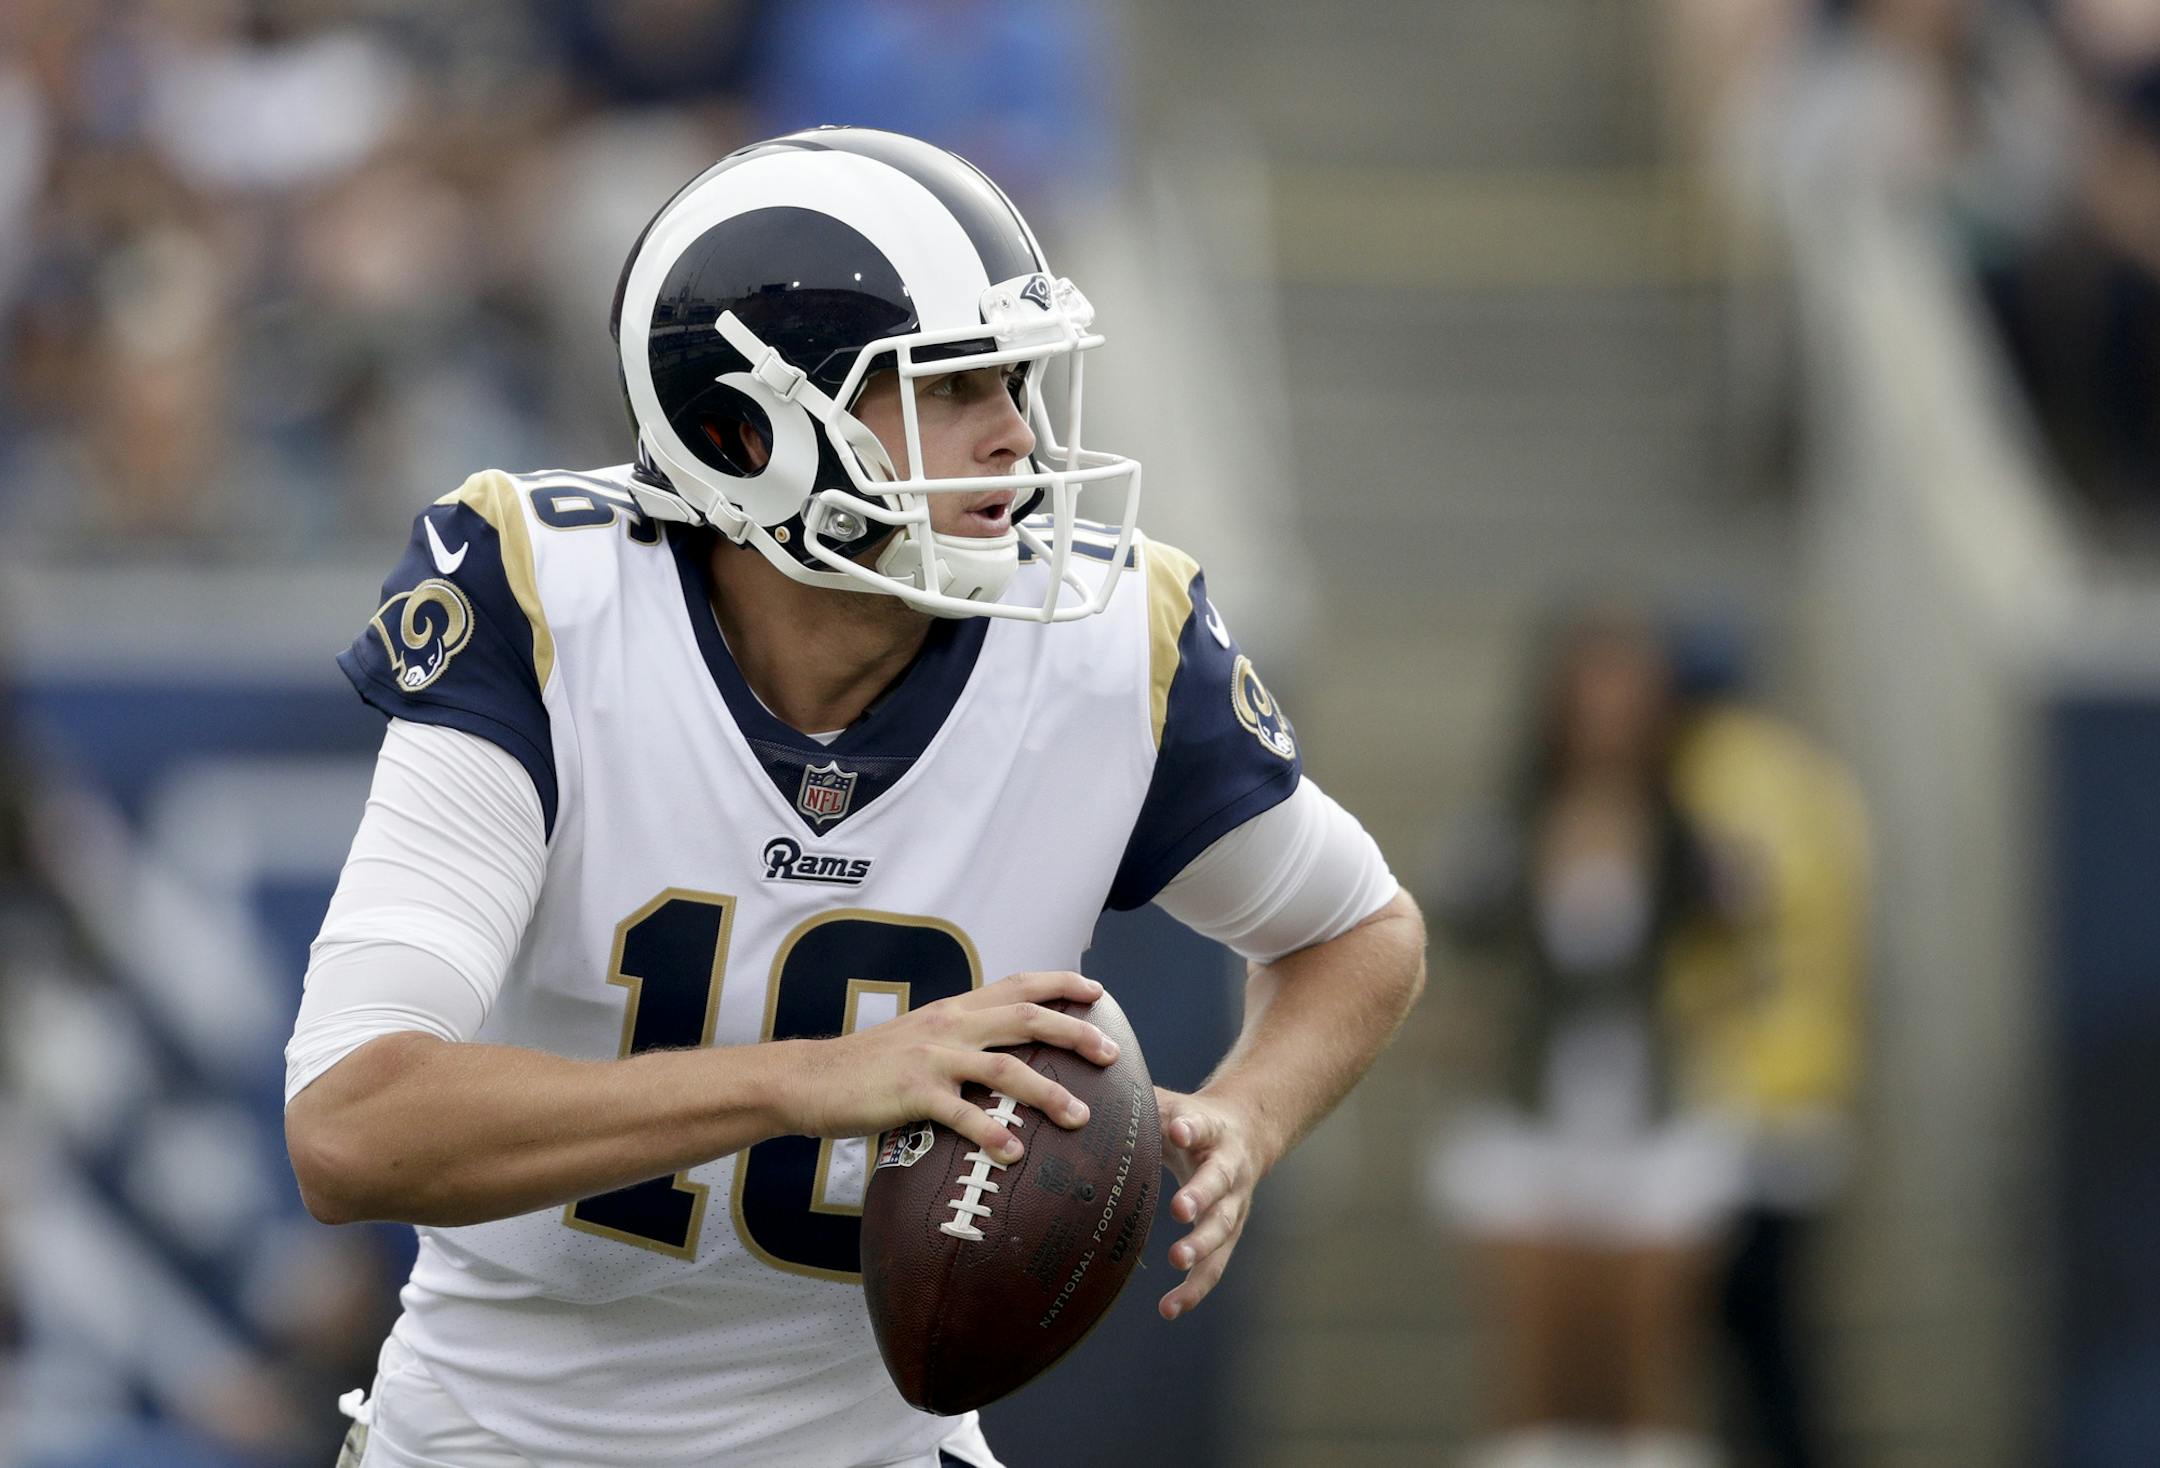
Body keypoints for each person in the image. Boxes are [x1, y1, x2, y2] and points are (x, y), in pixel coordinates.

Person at [281, 127, 1425, 1468]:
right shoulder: (544, 606)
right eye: (952, 389)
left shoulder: (1112, 641)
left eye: (1020, 380)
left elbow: (1359, 930)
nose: (1019, 438)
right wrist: (810, 1081)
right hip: (499, 1441)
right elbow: (351, 1126)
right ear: (745, 430)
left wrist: (1250, 1111)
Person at [1425, 611, 1747, 1468]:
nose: (1610, 710)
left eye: (1629, 690)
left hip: (1653, 1113)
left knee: (1649, 1373)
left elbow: (1738, 954)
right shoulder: (1506, 831)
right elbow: (1446, 953)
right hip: (1530, 1113)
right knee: (1532, 1373)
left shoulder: (1689, 835)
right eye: (1592, 688)